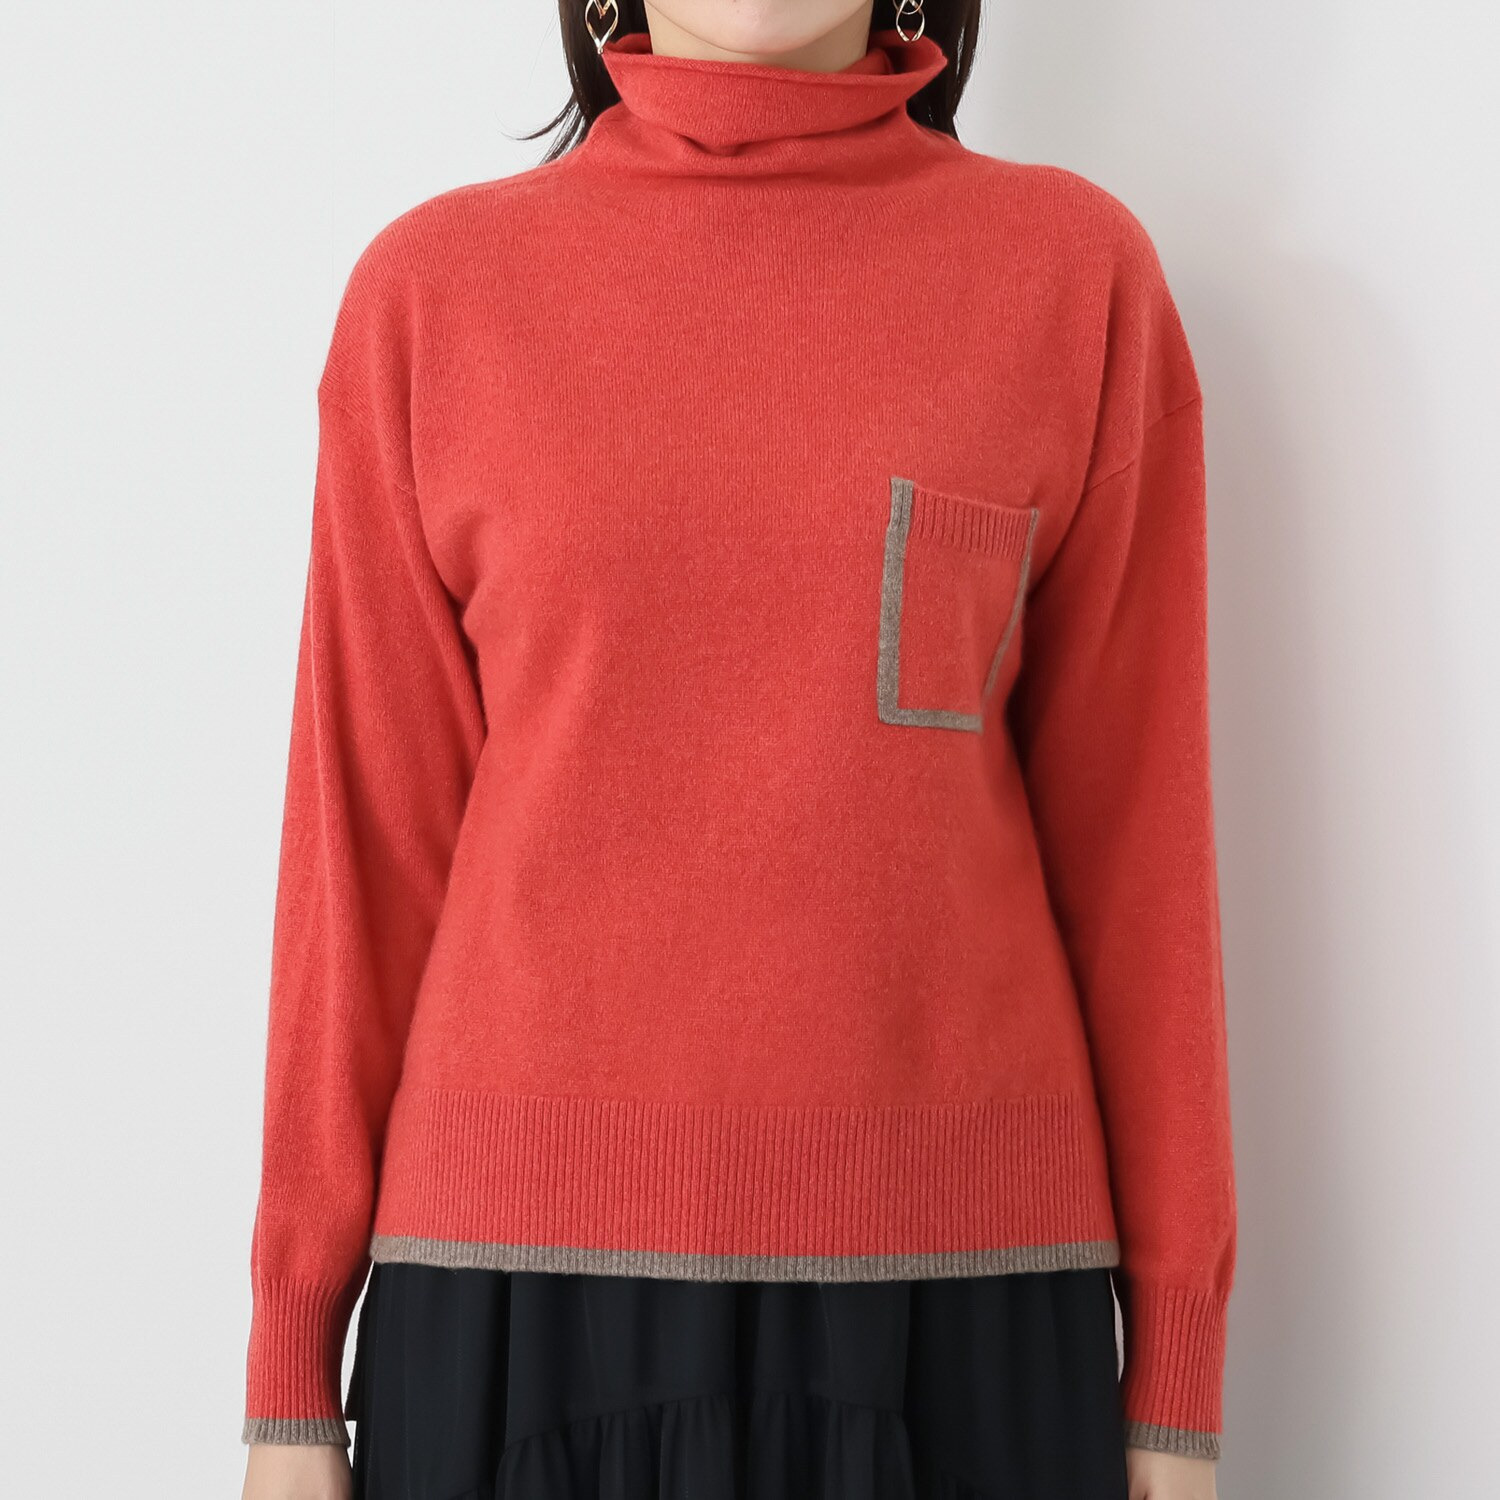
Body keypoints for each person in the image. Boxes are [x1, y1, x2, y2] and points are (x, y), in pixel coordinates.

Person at [239, 2, 1238, 1497]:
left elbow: (1142, 856)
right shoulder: (436, 294)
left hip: (963, 1301)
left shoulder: (1071, 275)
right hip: (515, 1296)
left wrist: (1174, 1381)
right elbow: (359, 862)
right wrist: (289, 1376)